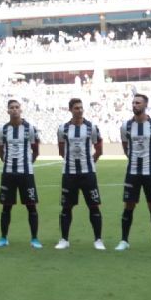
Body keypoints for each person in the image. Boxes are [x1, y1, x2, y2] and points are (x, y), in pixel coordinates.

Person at [118, 94, 151, 252]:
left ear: (146, 105)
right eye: (133, 102)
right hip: (132, 171)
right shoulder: (125, 126)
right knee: (129, 205)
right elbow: (126, 148)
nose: (135, 105)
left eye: (138, 103)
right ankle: (124, 241)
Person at [56, 98, 105, 250]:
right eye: (76, 108)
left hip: (88, 173)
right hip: (69, 173)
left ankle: (98, 239)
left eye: (81, 107)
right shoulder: (63, 128)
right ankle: (64, 239)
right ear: (70, 110)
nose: (80, 110)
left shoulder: (92, 127)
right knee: (66, 207)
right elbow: (61, 150)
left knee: (94, 206)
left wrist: (90, 163)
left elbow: (99, 149)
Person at [0, 100, 41, 248]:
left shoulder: (30, 128)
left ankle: (34, 239)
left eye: (17, 107)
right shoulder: (2, 129)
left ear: (21, 110)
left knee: (31, 206)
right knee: (6, 207)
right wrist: (8, 162)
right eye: (11, 108)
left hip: (26, 173)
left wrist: (27, 163)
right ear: (7, 111)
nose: (14, 110)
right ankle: (3, 238)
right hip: (8, 173)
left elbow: (36, 150)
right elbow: (1, 151)